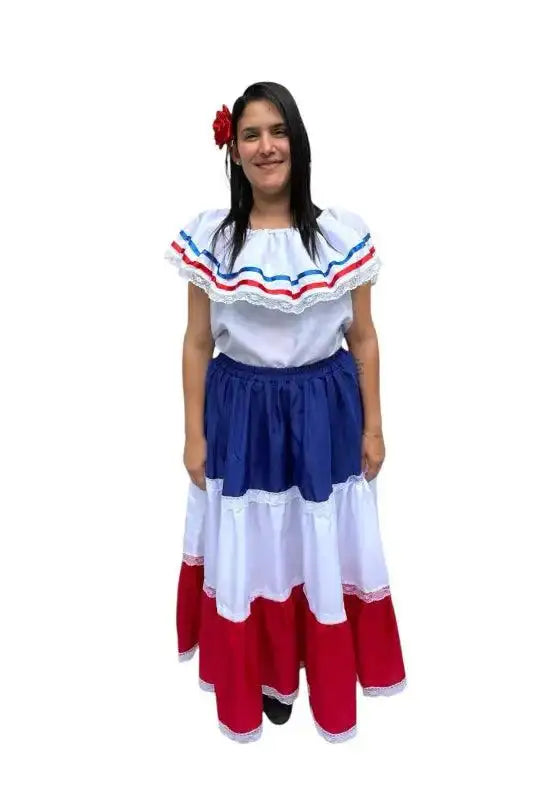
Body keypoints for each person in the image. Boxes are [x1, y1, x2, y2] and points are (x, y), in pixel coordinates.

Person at [164, 81, 406, 743]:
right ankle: (266, 678)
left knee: (315, 538)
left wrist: (375, 426)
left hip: (324, 415)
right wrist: (192, 435)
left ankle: (318, 671)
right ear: (234, 149)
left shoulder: (339, 237)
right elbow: (196, 342)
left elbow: (363, 337)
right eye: (251, 134)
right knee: (258, 547)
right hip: (241, 417)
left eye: (277, 131)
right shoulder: (214, 241)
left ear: (298, 142)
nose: (266, 146)